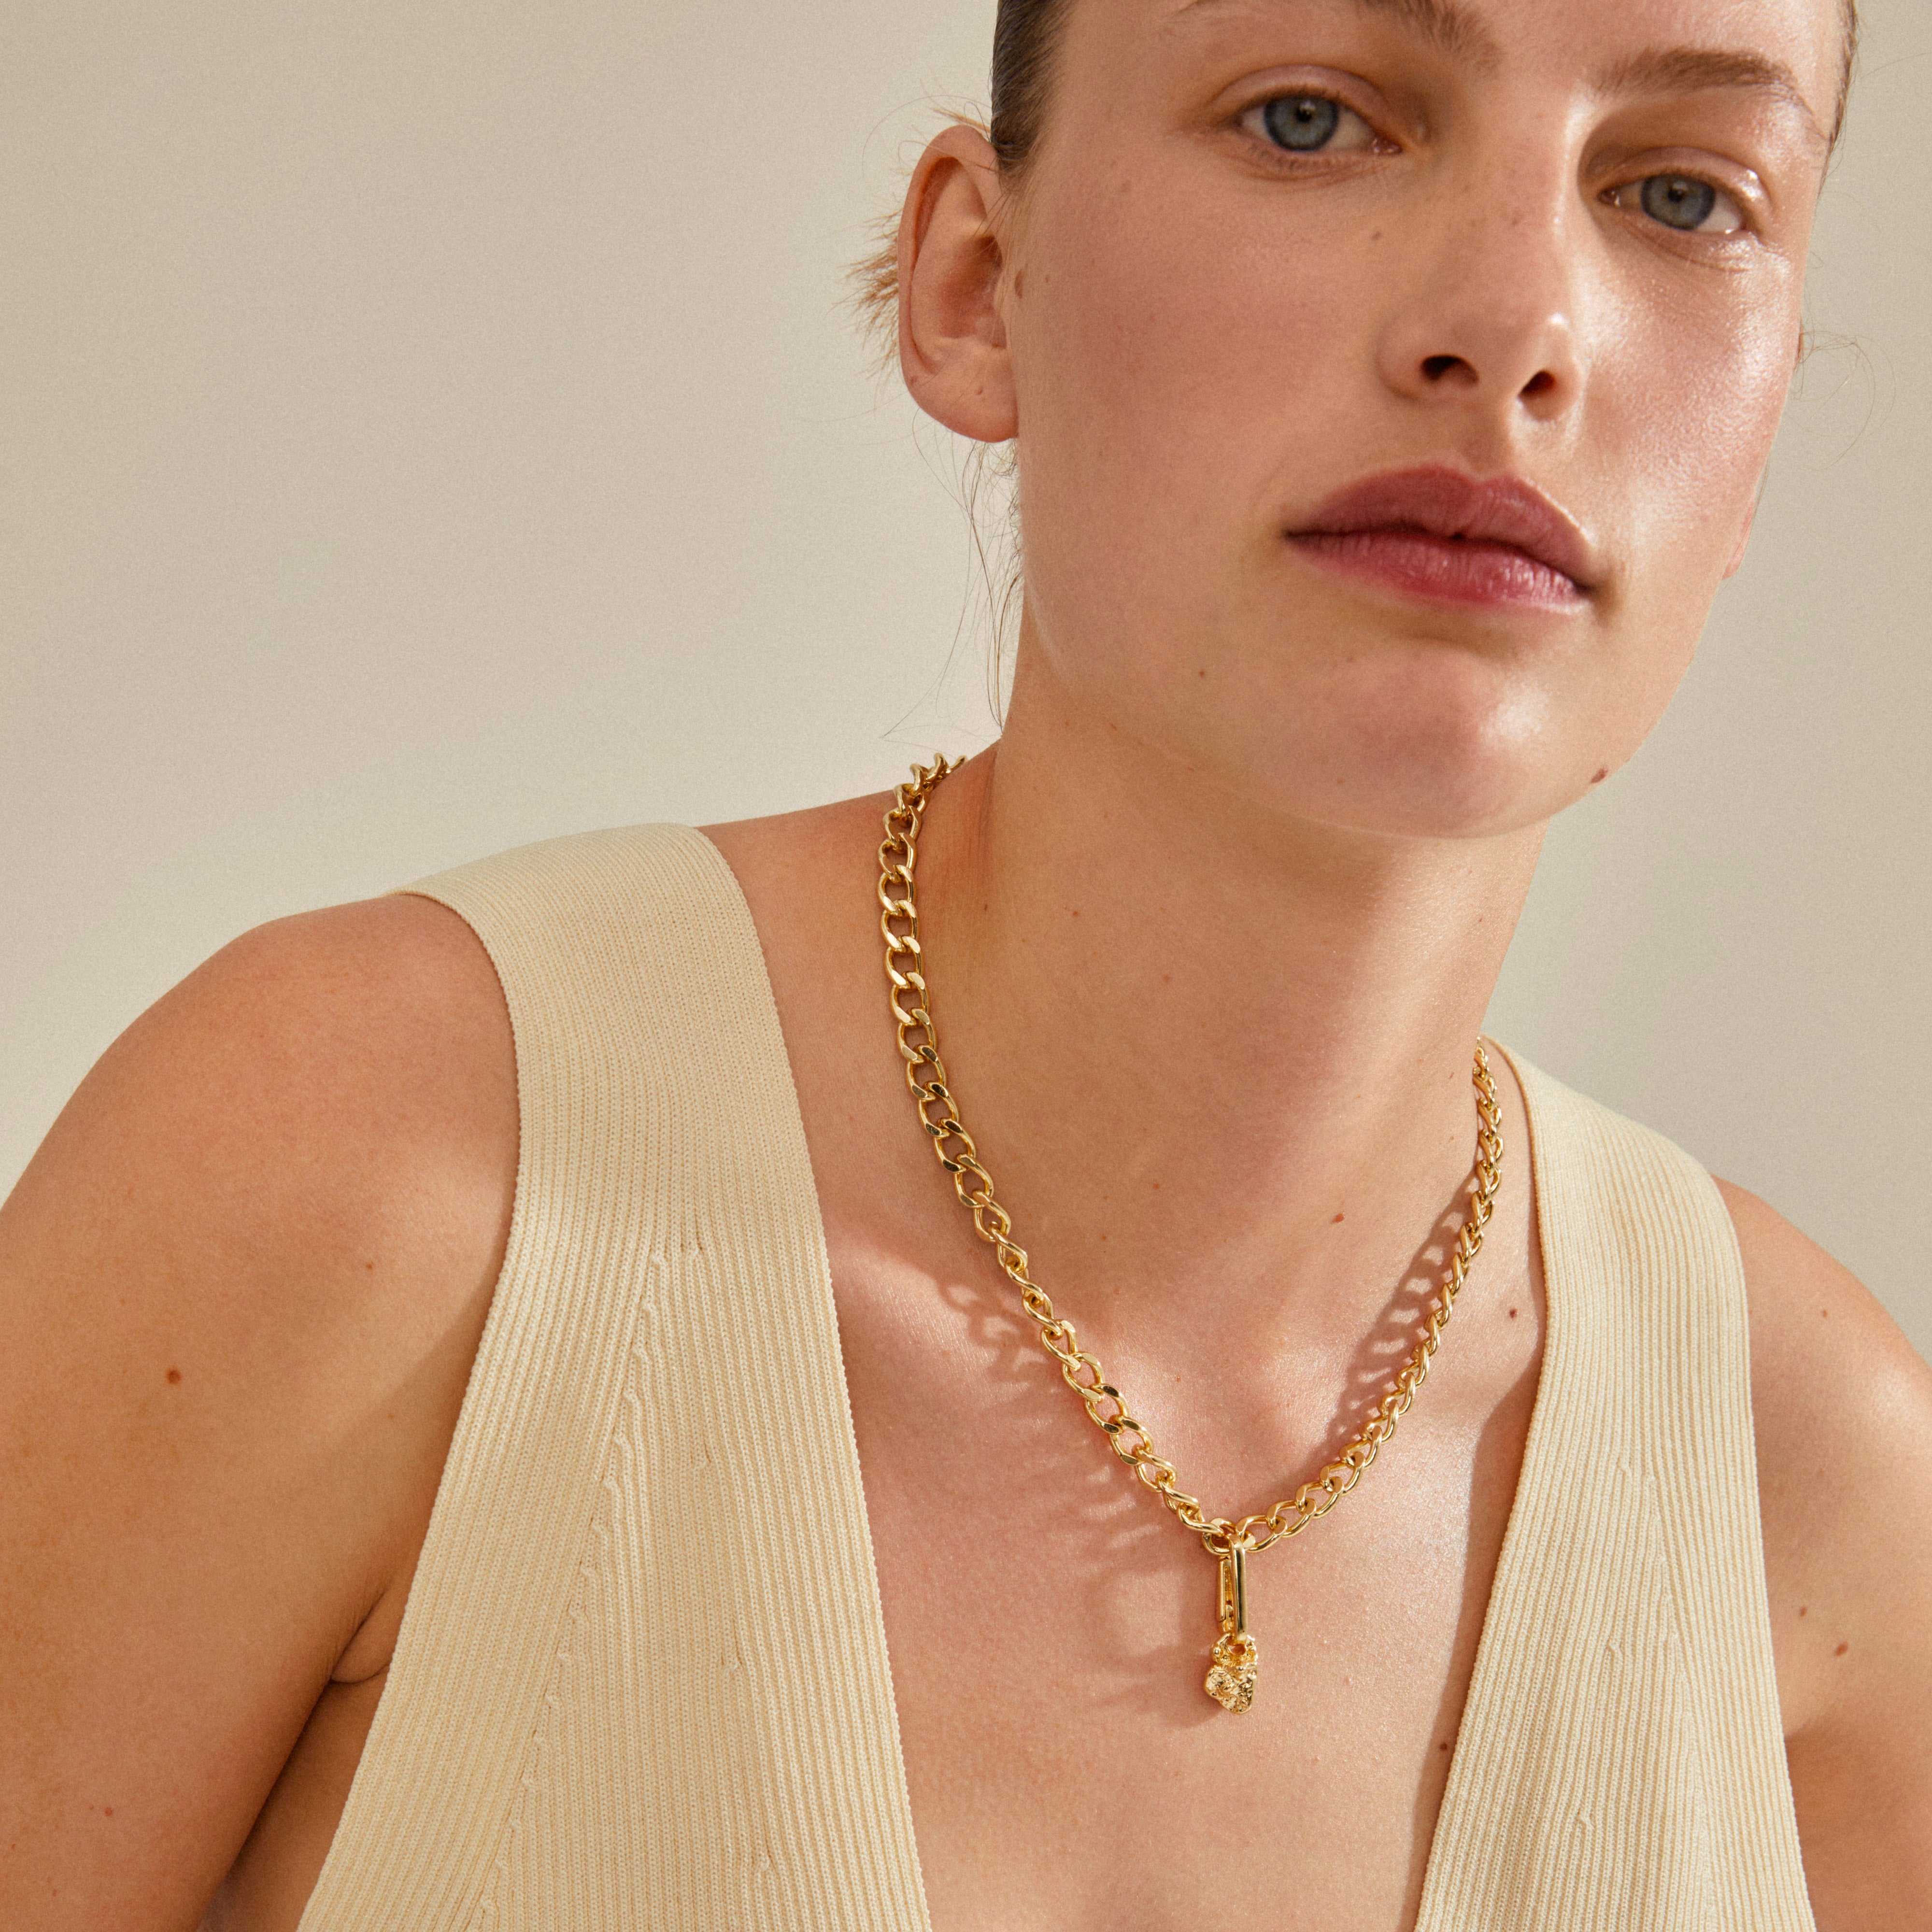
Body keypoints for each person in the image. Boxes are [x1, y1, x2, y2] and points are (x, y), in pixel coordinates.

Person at [4, 0, 1928, 1925]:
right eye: (1310, 119)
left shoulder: (1821, 1499)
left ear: (1761, 433)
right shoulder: (368, 1189)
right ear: (976, 285)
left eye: (1684, 194)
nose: (1515, 325)